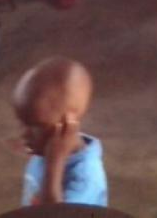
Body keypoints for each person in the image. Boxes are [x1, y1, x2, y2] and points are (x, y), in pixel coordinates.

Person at [12, 57, 106, 208]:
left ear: (66, 123)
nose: (23, 134)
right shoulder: (45, 148)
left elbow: (55, 214)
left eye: (35, 126)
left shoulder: (85, 178)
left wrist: (54, 163)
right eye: (22, 123)